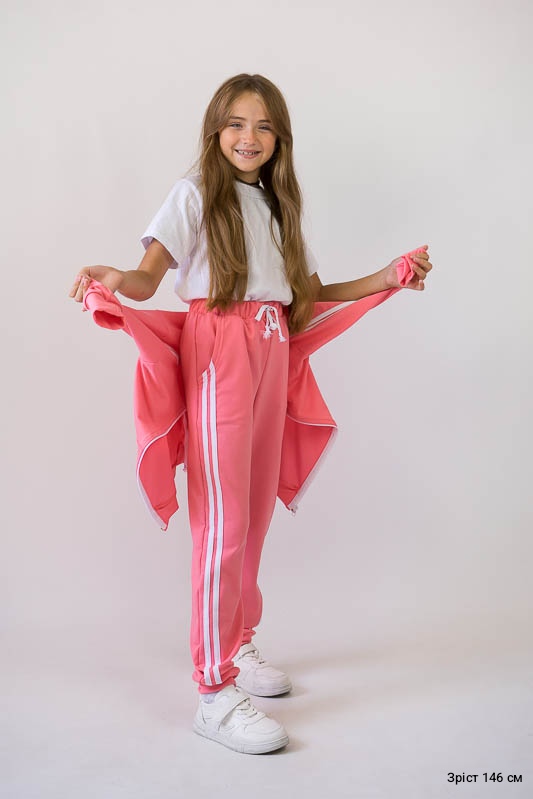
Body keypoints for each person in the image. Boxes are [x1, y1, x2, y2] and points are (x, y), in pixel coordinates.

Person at [69, 73, 433, 755]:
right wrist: (117, 278)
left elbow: (311, 294)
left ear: (279, 139)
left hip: (272, 348)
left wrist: (385, 278)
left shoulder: (276, 205)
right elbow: (149, 276)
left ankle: (237, 641)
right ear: (215, 131)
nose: (249, 136)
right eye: (236, 123)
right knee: (223, 521)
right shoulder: (194, 194)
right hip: (219, 353)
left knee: (254, 512)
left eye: (264, 126)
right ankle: (213, 690)